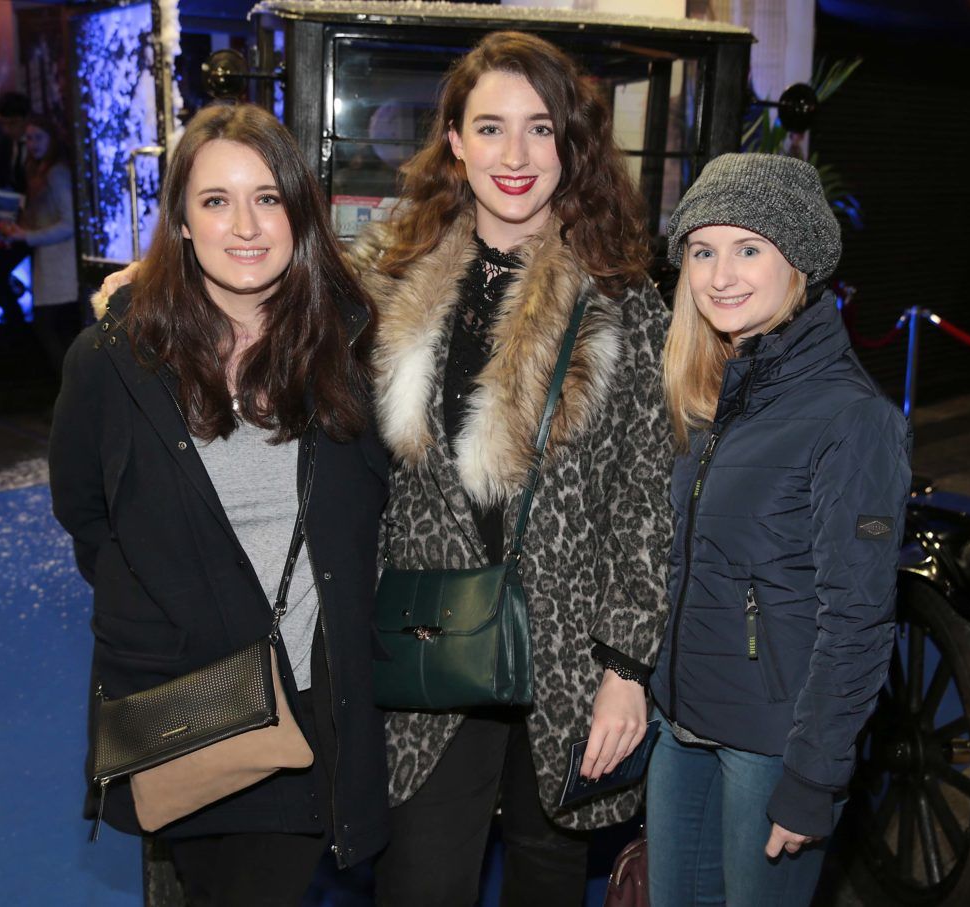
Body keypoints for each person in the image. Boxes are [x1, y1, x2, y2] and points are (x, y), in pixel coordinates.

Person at [350, 32, 672, 906]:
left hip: (568, 658)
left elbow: (647, 496)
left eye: (541, 128)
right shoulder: (390, 282)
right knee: (419, 882)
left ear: (572, 143)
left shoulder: (621, 296)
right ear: (454, 139)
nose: (517, 155)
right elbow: (266, 304)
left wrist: (627, 669)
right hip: (428, 647)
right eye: (491, 128)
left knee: (546, 882)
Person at [49, 103, 390, 906]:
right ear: (181, 219)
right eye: (215, 200)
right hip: (194, 702)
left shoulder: (350, 345)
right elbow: (88, 519)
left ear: (299, 212)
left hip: (320, 698)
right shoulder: (112, 361)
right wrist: (177, 608)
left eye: (268, 197)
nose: (245, 224)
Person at [646, 153, 911, 906]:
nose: (720, 274)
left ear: (799, 262)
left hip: (776, 746)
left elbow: (859, 617)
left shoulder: (849, 417)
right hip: (684, 726)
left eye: (749, 247)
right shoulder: (713, 395)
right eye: (703, 250)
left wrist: (814, 774)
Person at [0, 115, 78, 375]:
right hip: (50, 264)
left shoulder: (56, 173)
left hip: (61, 266)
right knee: (53, 331)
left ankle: (73, 394)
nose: (32, 144)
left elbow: (69, 223)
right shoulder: (41, 171)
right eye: (29, 138)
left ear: (51, 139)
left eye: (38, 138)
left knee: (52, 329)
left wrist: (27, 236)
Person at [0, 91, 30, 325]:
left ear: (24, 119)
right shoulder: (3, 146)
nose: (8, 129)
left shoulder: (35, 144)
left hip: (31, 221)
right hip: (8, 218)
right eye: (4, 124)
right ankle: (17, 326)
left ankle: (19, 328)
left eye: (13, 123)